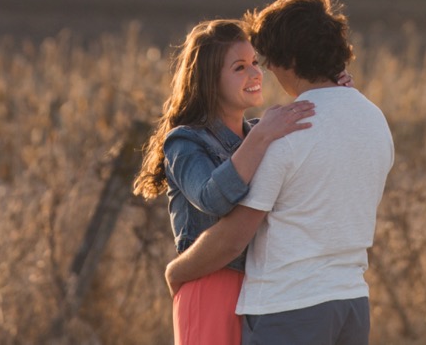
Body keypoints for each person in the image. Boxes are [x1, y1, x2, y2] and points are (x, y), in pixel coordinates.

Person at [165, 0, 394, 345]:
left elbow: (233, 238)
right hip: (352, 303)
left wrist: (176, 271)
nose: (264, 70)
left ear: (288, 59)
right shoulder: (373, 119)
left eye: (264, 60)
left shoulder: (283, 136)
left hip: (290, 308)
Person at [133, 18, 319, 345]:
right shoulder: (186, 142)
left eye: (255, 63)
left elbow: (314, 138)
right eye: (239, 68)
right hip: (211, 284)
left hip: (261, 290)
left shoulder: (260, 133)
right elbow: (211, 197)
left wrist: (333, 88)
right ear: (208, 80)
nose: (255, 73)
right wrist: (261, 137)